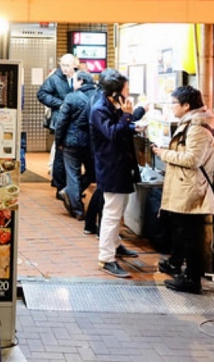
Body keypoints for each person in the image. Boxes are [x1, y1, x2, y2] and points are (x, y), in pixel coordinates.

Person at [151, 86, 214, 295]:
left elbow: (192, 159)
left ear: (186, 106)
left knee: (190, 235)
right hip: (185, 186)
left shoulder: (197, 127)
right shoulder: (191, 124)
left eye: (173, 103)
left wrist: (164, 153)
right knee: (181, 229)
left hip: (192, 189)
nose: (171, 107)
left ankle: (192, 279)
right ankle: (176, 264)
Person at [88, 69, 141, 278]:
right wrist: (127, 116)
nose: (128, 93)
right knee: (112, 212)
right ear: (115, 93)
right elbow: (112, 133)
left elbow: (120, 130)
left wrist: (131, 123)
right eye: (126, 90)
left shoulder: (112, 105)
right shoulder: (100, 109)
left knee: (120, 208)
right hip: (111, 166)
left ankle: (116, 245)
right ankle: (106, 257)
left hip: (120, 166)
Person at [52, 70, 97, 220]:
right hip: (91, 143)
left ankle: (77, 209)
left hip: (71, 143)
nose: (73, 84)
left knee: (72, 174)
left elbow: (61, 122)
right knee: (92, 173)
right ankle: (70, 193)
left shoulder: (71, 98)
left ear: (81, 82)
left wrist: (59, 142)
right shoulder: (99, 97)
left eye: (75, 81)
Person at [37, 53, 77, 208]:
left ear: (74, 64)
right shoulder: (54, 78)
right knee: (60, 155)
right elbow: (41, 94)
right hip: (61, 121)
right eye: (63, 65)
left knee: (70, 157)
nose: (65, 68)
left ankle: (71, 188)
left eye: (68, 65)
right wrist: (59, 104)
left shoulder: (79, 78)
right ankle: (61, 187)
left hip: (76, 121)